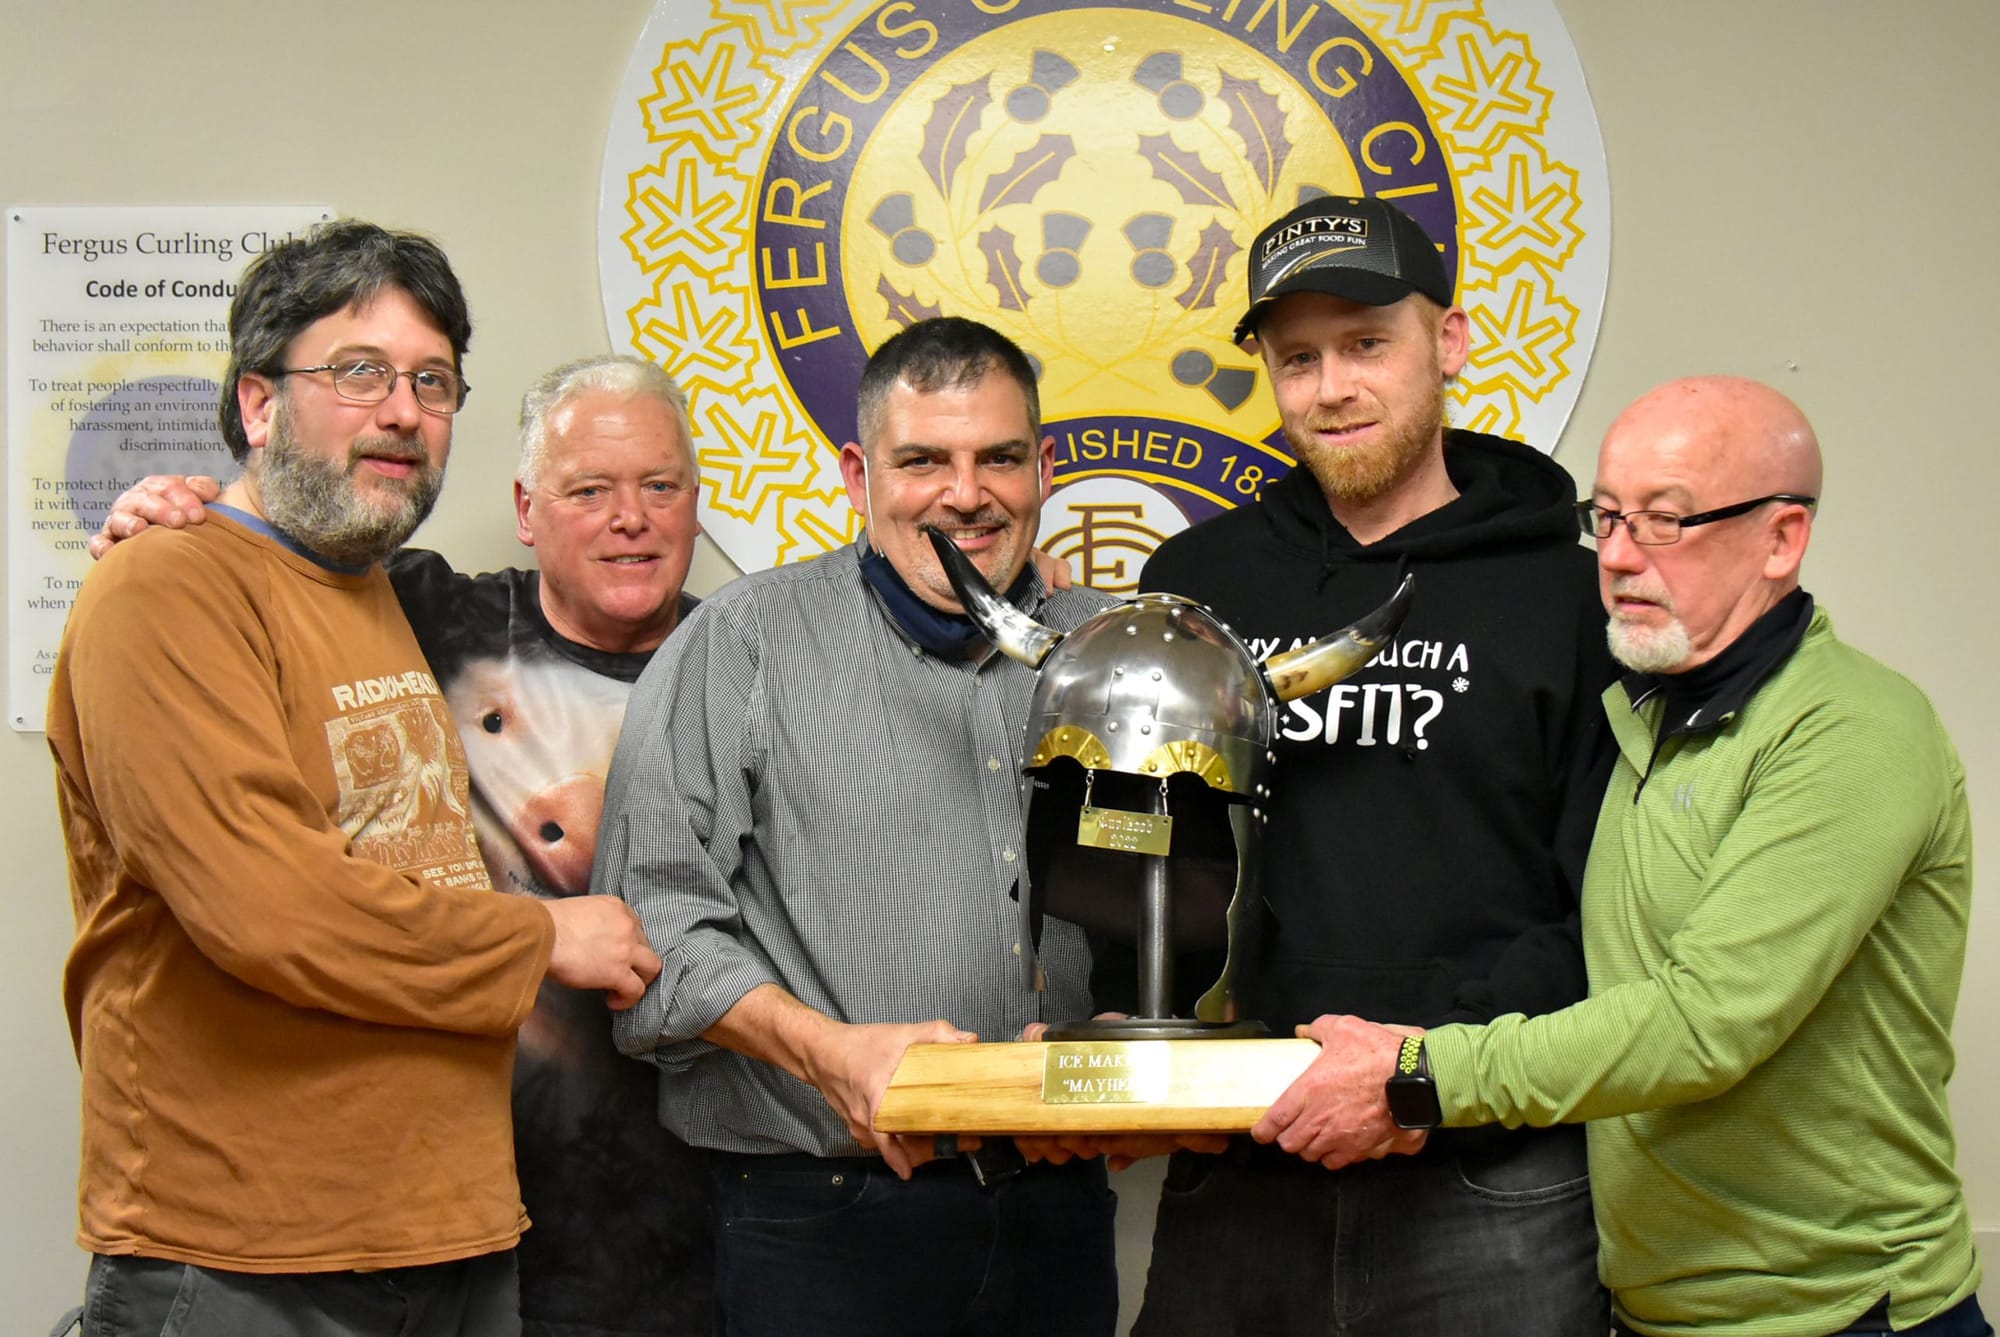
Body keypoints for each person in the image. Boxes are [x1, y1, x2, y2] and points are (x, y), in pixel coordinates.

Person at [1273, 375, 1990, 1337]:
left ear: (1782, 538)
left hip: (1842, 1311)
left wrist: (1418, 1073)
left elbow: (1707, 1021)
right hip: (1652, 1308)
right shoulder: (1644, 714)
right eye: (1605, 516)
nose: (1613, 557)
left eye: (1665, 521)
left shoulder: (1853, 728)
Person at [48, 220, 660, 1337]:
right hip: (247, 1251)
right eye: (359, 371)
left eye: (433, 382)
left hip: (446, 1233)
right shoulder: (166, 592)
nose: (401, 410)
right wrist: (543, 939)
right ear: (258, 404)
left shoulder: (377, 590)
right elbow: (270, 909)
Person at [1124, 194, 1617, 1332]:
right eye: (1296, 358)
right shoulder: (1198, 580)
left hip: (1492, 1174)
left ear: (1445, 341)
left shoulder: (1570, 591)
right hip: (1243, 1162)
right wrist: (1127, 1011)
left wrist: (1421, 1073)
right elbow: (1146, 850)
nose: (1331, 387)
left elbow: (1609, 900)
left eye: (1363, 344)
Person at [595, 316, 1121, 1336]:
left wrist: (1121, 1033)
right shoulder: (742, 643)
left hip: (1059, 1206)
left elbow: (1174, 909)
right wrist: (828, 1051)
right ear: (856, 473)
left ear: (1042, 469)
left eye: (998, 458)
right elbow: (649, 928)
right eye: (921, 458)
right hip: (820, 1215)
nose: (964, 493)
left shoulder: (1105, 650)